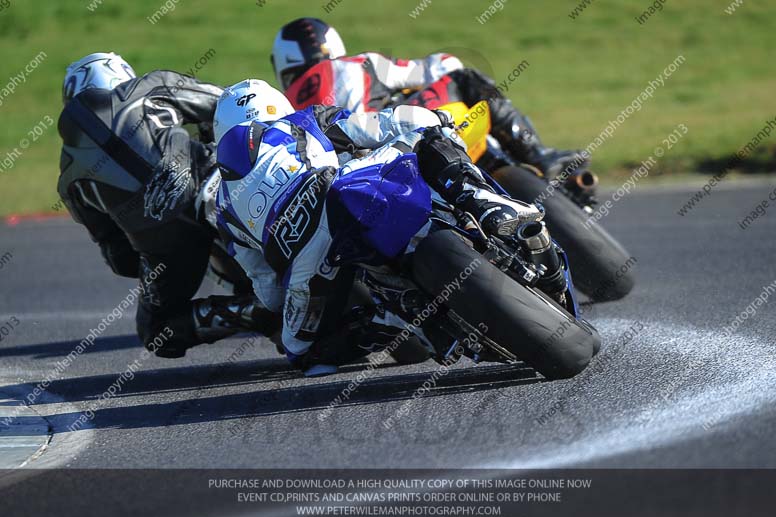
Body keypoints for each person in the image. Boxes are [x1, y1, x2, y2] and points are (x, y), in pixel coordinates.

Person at [213, 79, 540, 375]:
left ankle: (393, 322)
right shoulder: (302, 121)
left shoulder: (223, 206)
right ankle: (482, 200)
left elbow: (269, 292)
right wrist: (437, 119)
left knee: (303, 353)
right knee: (428, 135)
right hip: (348, 189)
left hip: (308, 265)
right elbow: (382, 123)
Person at [57, 52, 273, 359]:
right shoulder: (149, 87)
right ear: (121, 76)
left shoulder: (69, 179)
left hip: (165, 246)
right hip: (219, 186)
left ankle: (251, 310)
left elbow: (121, 260)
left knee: (157, 332)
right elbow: (232, 102)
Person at [270, 17, 589, 180]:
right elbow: (443, 66)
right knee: (465, 79)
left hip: (350, 180)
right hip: (402, 142)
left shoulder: (282, 108)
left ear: (283, 68)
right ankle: (536, 154)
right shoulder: (358, 64)